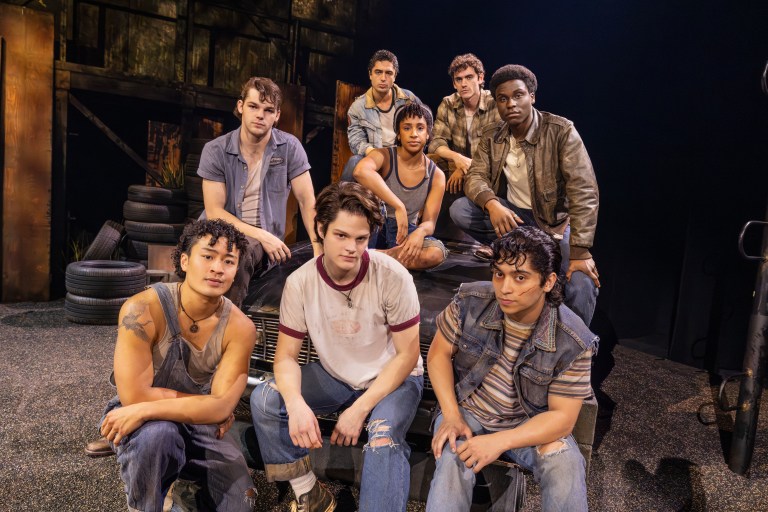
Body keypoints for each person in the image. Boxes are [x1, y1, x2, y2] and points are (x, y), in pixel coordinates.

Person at [250, 182, 423, 512]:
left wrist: (359, 410)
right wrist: (296, 402)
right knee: (267, 398)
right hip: (337, 375)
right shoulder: (301, 283)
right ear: (320, 228)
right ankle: (309, 493)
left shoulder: (393, 276)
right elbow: (285, 357)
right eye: (341, 236)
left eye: (361, 238)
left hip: (394, 379)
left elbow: (407, 356)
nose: (352, 248)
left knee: (384, 439)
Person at [425, 226, 597, 512]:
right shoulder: (470, 301)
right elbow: (438, 355)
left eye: (520, 278)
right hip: (469, 410)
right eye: (499, 274)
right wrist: (452, 416)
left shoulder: (573, 339)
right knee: (451, 455)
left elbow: (563, 419)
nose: (505, 288)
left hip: (527, 423)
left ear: (548, 282)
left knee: (564, 463)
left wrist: (498, 441)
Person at [99, 219, 257, 511]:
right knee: (159, 437)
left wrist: (150, 406)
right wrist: (208, 405)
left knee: (240, 500)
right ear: (184, 261)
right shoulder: (142, 309)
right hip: (144, 424)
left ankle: (182, 485)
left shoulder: (241, 328)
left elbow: (222, 408)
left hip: (197, 425)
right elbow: (133, 397)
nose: (217, 268)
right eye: (208, 256)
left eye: (229, 261)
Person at [450, 64, 600, 326]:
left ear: (532, 96)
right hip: (517, 220)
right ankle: (511, 250)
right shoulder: (492, 135)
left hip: (554, 224)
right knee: (461, 209)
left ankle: (575, 349)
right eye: (503, 99)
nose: (511, 104)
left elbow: (584, 192)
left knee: (581, 282)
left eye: (518, 95)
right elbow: (475, 176)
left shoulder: (561, 131)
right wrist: (492, 203)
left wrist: (580, 251)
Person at [198, 76, 321, 307]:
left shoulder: (289, 147)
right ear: (240, 106)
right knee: (197, 254)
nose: (260, 115)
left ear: (277, 116)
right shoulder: (215, 150)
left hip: (258, 245)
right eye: (253, 106)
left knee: (240, 253)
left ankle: (226, 330)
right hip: (218, 230)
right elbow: (214, 211)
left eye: (268, 110)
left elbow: (307, 202)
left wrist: (318, 247)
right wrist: (263, 236)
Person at [353, 101, 447, 270]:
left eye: (420, 128)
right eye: (407, 128)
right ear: (398, 134)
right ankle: (372, 256)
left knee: (436, 252)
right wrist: (399, 206)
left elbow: (430, 222)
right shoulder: (384, 156)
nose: (413, 134)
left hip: (404, 232)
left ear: (428, 134)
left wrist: (420, 232)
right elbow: (360, 171)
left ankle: (372, 258)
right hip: (374, 225)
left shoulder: (436, 174)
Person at [428, 53, 500, 195]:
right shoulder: (448, 103)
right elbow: (436, 142)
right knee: (429, 161)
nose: (464, 84)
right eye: (459, 79)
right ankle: (425, 212)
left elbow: (496, 151)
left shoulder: (494, 103)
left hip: (488, 168)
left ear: (480, 78)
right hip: (458, 164)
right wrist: (458, 158)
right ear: (454, 83)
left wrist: (464, 168)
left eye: (469, 77)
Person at [342, 49, 419, 181]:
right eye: (378, 72)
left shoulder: (409, 100)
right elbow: (356, 142)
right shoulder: (358, 107)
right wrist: (375, 154)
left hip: (405, 156)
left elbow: (425, 127)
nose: (383, 78)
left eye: (388, 73)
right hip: (376, 155)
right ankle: (341, 200)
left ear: (395, 76)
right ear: (370, 74)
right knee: (354, 162)